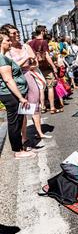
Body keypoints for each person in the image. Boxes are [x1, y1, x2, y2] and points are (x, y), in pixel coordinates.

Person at [5, 25, 51, 142]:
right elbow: (13, 67)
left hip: (29, 75)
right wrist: (26, 60)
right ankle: (24, 137)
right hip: (17, 79)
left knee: (34, 104)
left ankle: (39, 132)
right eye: (14, 33)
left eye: (18, 32)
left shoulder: (25, 46)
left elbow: (35, 61)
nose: (17, 34)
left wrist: (32, 64)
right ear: (7, 36)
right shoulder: (7, 49)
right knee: (23, 108)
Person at [0, 30, 36, 158]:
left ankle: (20, 148)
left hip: (12, 94)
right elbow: (8, 80)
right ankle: (17, 151)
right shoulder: (2, 59)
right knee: (14, 122)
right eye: (7, 41)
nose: (10, 42)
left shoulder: (4, 58)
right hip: (10, 95)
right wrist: (20, 97)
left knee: (18, 120)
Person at [28, 25, 59, 114]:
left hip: (36, 68)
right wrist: (53, 66)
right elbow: (47, 55)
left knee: (40, 88)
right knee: (50, 87)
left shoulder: (30, 43)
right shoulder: (44, 42)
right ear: (42, 31)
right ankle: (52, 107)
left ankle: (42, 107)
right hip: (45, 68)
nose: (46, 32)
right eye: (45, 31)